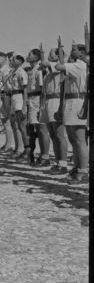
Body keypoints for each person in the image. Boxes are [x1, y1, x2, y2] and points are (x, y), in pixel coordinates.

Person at [51, 43, 89, 184]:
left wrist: (62, 58)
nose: (71, 52)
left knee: (80, 140)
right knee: (73, 140)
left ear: (81, 53)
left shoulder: (79, 65)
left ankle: (84, 171)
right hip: (70, 102)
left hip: (78, 102)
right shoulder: (75, 65)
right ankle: (77, 167)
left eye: (74, 50)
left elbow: (58, 67)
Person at [39, 47, 68, 175]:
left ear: (58, 56)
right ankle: (57, 162)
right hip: (47, 101)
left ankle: (63, 163)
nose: (49, 56)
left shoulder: (60, 66)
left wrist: (42, 55)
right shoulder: (49, 71)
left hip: (56, 101)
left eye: (51, 54)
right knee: (52, 134)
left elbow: (46, 64)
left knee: (59, 134)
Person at [26, 49, 50, 167]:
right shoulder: (32, 70)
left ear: (36, 57)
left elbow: (41, 88)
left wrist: (41, 105)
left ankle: (45, 156)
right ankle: (40, 155)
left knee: (42, 129)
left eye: (30, 54)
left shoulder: (39, 70)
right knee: (34, 130)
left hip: (37, 100)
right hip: (31, 100)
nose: (28, 56)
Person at [8, 53, 29, 160]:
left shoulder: (22, 72)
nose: (11, 61)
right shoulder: (14, 72)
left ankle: (26, 150)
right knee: (15, 125)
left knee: (22, 126)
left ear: (20, 61)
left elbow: (25, 88)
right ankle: (18, 148)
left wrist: (24, 104)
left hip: (19, 98)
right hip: (14, 98)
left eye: (14, 60)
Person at [0, 52, 15, 152]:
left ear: (3, 59)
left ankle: (9, 145)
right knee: (5, 122)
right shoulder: (1, 70)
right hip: (0, 96)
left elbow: (8, 86)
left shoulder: (6, 70)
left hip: (4, 96)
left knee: (7, 122)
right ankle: (7, 143)